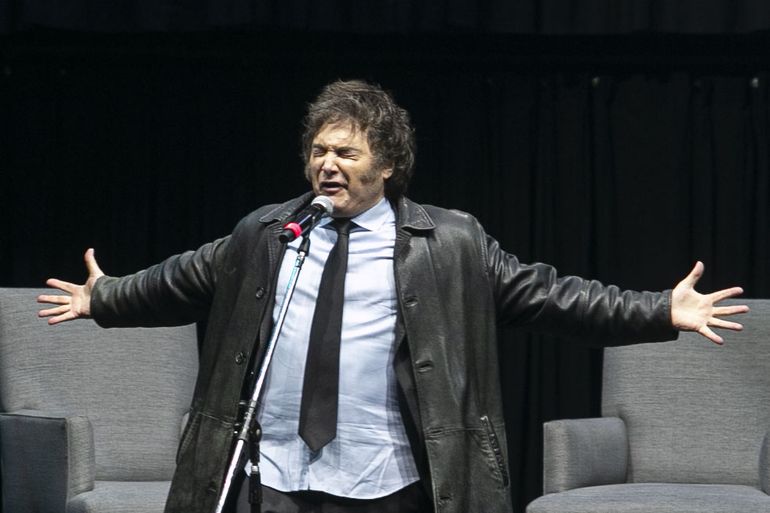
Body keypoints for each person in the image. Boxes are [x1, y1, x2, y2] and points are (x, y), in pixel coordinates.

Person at [38, 80, 748, 513]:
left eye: (346, 152)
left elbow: (554, 296)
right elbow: (181, 278)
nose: (327, 164)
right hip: (277, 473)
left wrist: (660, 309)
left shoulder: (451, 244)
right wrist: (107, 297)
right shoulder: (269, 232)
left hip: (390, 477)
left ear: (387, 163)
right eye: (319, 149)